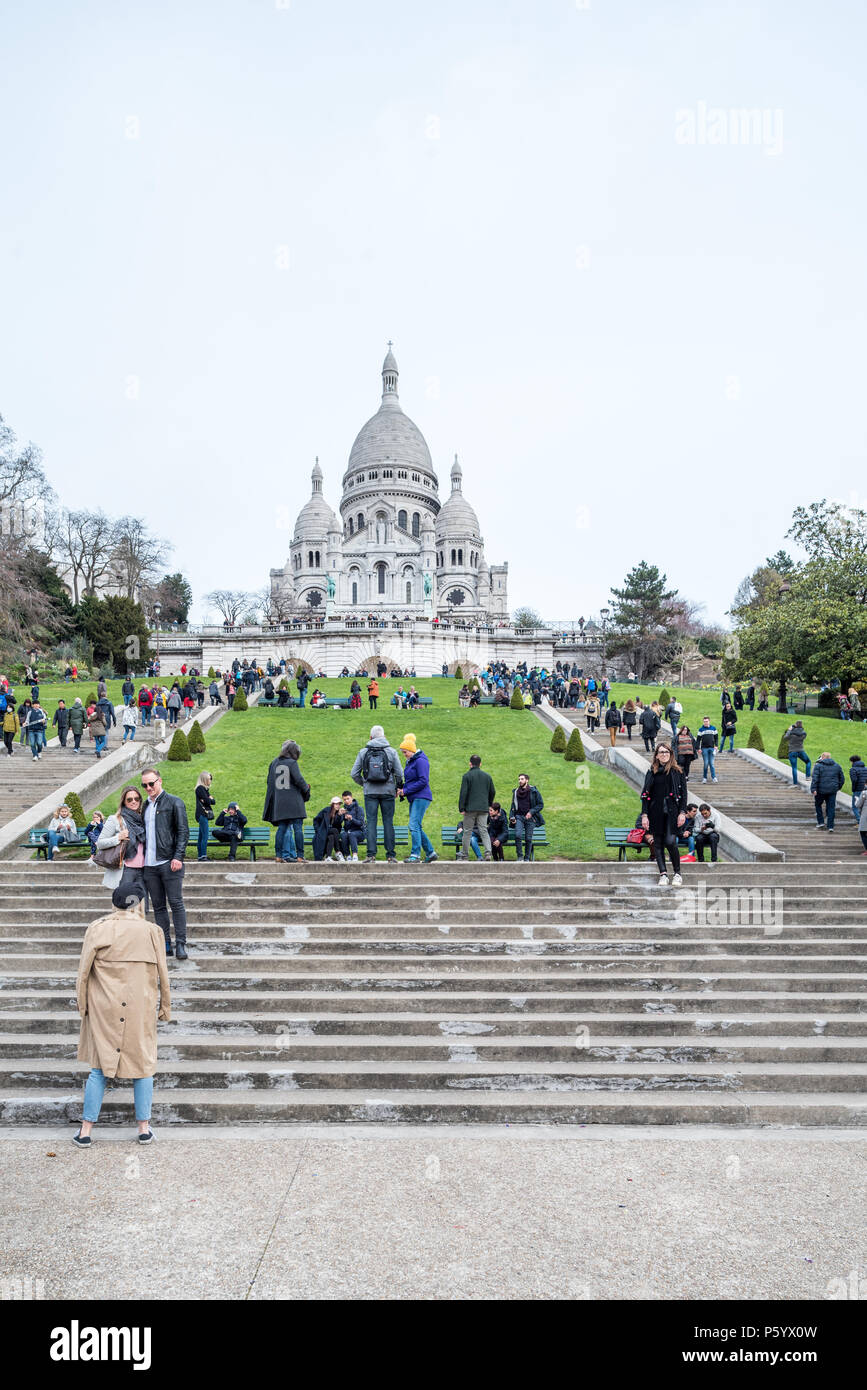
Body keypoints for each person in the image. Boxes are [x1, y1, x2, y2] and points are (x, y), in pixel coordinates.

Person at [72, 881, 171, 1147]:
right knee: (144, 1067)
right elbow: (164, 973)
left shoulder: (98, 928)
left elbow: (83, 973)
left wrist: (83, 1006)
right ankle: (144, 1128)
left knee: (98, 1068)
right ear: (139, 904)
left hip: (104, 1006)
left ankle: (85, 1131)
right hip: (141, 1005)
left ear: (114, 903)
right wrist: (165, 1007)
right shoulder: (153, 931)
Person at [140, 767, 189, 958]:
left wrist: (178, 856)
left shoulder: (174, 802)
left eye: (151, 783)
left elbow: (183, 831)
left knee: (176, 903)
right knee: (158, 906)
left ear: (160, 781)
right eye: (144, 785)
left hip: (169, 861)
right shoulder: (145, 805)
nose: (148, 788)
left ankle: (181, 944)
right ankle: (165, 943)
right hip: (149, 864)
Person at [351, 725, 404, 863]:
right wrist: (397, 787)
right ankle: (391, 855)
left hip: (370, 793)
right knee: (388, 822)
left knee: (371, 823)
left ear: (370, 737)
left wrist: (365, 784)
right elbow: (399, 773)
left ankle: (371, 855)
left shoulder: (363, 752)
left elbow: (354, 774)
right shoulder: (391, 752)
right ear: (384, 737)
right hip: (388, 792)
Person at [639, 743, 688, 886]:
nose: (664, 754)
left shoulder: (678, 772)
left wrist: (682, 812)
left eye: (666, 752)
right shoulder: (652, 772)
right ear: (656, 755)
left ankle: (677, 873)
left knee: (670, 841)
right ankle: (663, 874)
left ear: (671, 754)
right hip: (656, 812)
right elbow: (645, 795)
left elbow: (684, 795)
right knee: (658, 844)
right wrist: (644, 815)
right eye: (661, 752)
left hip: (672, 812)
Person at [95, 786, 147, 899]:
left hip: (144, 869)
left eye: (136, 799)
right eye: (129, 799)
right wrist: (118, 837)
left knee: (143, 906)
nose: (133, 801)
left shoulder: (144, 819)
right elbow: (100, 843)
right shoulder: (115, 819)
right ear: (124, 801)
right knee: (125, 905)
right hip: (125, 870)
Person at [263, 739, 311, 863]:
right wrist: (307, 790)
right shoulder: (292, 763)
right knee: (298, 828)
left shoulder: (274, 762)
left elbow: (269, 782)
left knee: (282, 828)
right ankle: (300, 856)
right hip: (294, 801)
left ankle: (278, 856)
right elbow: (299, 780)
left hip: (280, 802)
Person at [399, 733, 437, 863]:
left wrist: (406, 790)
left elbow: (423, 780)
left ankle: (415, 855)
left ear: (411, 750)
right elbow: (411, 780)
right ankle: (430, 852)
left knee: (413, 825)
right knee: (416, 826)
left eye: (405, 752)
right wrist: (402, 789)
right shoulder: (412, 761)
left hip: (421, 797)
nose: (404, 754)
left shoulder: (420, 761)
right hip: (415, 797)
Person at [457, 755, 495, 861]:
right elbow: (492, 791)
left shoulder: (467, 776)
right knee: (483, 830)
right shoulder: (487, 776)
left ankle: (465, 854)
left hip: (470, 809)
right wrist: (488, 804)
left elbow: (463, 793)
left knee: (467, 831)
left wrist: (462, 807)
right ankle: (488, 853)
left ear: (470, 763)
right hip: (483, 808)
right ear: (480, 764)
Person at [508, 773, 544, 861]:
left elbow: (540, 804)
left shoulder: (534, 791)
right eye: (519, 779)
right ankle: (520, 856)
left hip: (530, 818)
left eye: (522, 779)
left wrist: (531, 812)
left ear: (527, 780)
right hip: (519, 817)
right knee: (518, 836)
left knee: (528, 838)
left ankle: (527, 858)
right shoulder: (516, 792)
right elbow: (513, 806)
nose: (520, 781)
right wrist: (512, 817)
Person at [810, 751, 845, 832]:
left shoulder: (818, 766)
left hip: (820, 790)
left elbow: (815, 778)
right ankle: (830, 826)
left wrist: (813, 789)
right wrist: (838, 787)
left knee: (818, 805)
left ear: (822, 757)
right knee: (831, 808)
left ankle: (821, 822)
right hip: (832, 791)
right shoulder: (837, 766)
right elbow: (842, 779)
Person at [194, 770, 216, 861]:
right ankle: (203, 856)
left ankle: (200, 856)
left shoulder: (205, 789)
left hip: (202, 814)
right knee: (204, 836)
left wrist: (209, 799)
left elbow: (213, 801)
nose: (211, 780)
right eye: (209, 778)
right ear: (205, 779)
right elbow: (208, 801)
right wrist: (208, 799)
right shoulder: (200, 788)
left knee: (201, 836)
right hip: (202, 814)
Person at [338, 790, 365, 861]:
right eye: (344, 799)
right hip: (348, 832)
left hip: (360, 832)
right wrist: (340, 815)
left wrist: (351, 819)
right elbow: (339, 823)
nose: (346, 801)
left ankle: (355, 855)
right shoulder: (344, 810)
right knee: (343, 835)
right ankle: (348, 855)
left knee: (352, 834)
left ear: (352, 798)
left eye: (348, 799)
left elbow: (361, 823)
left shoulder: (359, 809)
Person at [783, 720, 811, 785]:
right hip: (801, 751)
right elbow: (800, 731)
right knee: (808, 762)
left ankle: (795, 783)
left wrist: (789, 730)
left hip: (792, 751)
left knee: (794, 767)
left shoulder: (791, 733)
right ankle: (808, 776)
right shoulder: (804, 733)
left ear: (795, 725)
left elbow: (785, 738)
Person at [696, 717, 718, 783]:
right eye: (704, 721)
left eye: (707, 721)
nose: (706, 722)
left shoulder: (713, 728)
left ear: (709, 721)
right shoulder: (701, 730)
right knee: (706, 763)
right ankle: (704, 778)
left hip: (712, 748)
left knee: (711, 764)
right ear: (703, 722)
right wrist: (698, 748)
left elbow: (716, 738)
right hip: (704, 748)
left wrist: (716, 745)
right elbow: (698, 740)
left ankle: (714, 777)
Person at [849, 755, 867, 827]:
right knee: (863, 807)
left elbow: (854, 780)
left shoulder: (853, 769)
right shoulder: (866, 768)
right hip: (865, 790)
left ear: (852, 761)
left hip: (858, 790)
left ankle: (860, 822)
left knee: (855, 806)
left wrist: (853, 789)